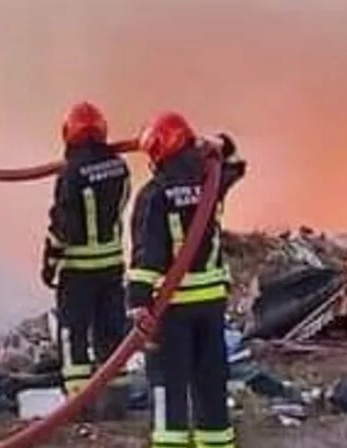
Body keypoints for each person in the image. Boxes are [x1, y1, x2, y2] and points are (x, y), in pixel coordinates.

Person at [127, 113, 246, 448]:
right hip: (210, 306)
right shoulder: (212, 178)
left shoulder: (155, 194)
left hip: (172, 309)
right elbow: (237, 163)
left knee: (169, 387)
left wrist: (137, 302)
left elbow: (146, 256)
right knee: (210, 383)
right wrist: (218, 143)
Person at [41, 101, 132, 415]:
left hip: (78, 270)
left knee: (73, 334)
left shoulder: (72, 173)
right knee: (111, 333)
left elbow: (63, 225)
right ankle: (116, 401)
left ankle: (79, 406)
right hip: (112, 266)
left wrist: (49, 263)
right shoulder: (121, 166)